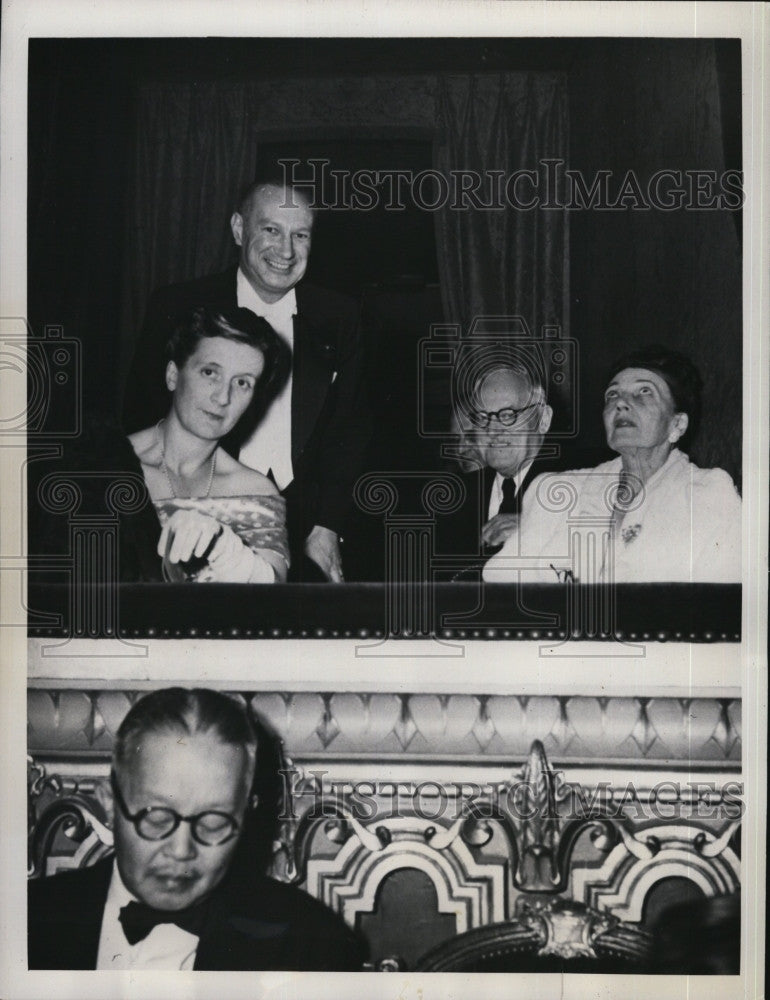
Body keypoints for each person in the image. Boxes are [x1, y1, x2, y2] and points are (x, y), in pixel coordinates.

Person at [123, 174, 370, 582]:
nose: (286, 251)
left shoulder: (342, 317)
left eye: (301, 235)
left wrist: (327, 527)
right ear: (239, 229)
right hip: (185, 503)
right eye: (271, 229)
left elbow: (351, 427)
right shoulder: (177, 304)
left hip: (304, 524)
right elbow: (141, 411)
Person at [28, 687, 366, 971]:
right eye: (157, 817)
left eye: (213, 821)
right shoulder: (27, 922)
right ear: (109, 807)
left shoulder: (310, 945)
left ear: (245, 819)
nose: (181, 850)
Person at [484, 345, 742, 583]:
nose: (620, 403)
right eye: (612, 394)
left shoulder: (706, 492)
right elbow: (502, 579)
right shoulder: (556, 488)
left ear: (677, 424)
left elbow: (721, 603)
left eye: (644, 392)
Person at [128, 306, 290, 583]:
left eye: (242, 382)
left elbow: (273, 601)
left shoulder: (254, 493)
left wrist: (226, 550)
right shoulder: (106, 464)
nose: (223, 397)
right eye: (210, 373)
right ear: (173, 375)